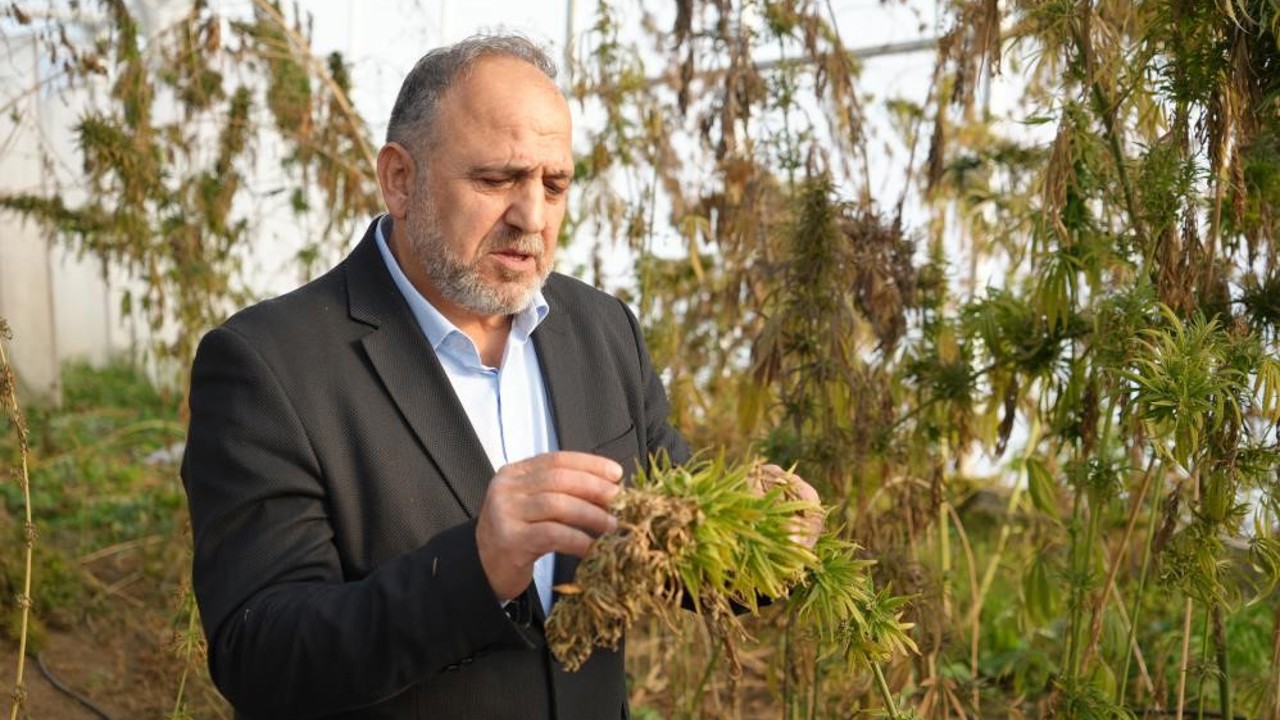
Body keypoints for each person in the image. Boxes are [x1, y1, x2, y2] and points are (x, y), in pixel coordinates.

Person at [181, 34, 819, 720]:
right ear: (400, 179)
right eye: (496, 180)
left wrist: (761, 539)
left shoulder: (603, 330)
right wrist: (474, 569)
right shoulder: (269, 365)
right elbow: (260, 652)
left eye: (555, 185)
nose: (532, 217)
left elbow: (674, 548)